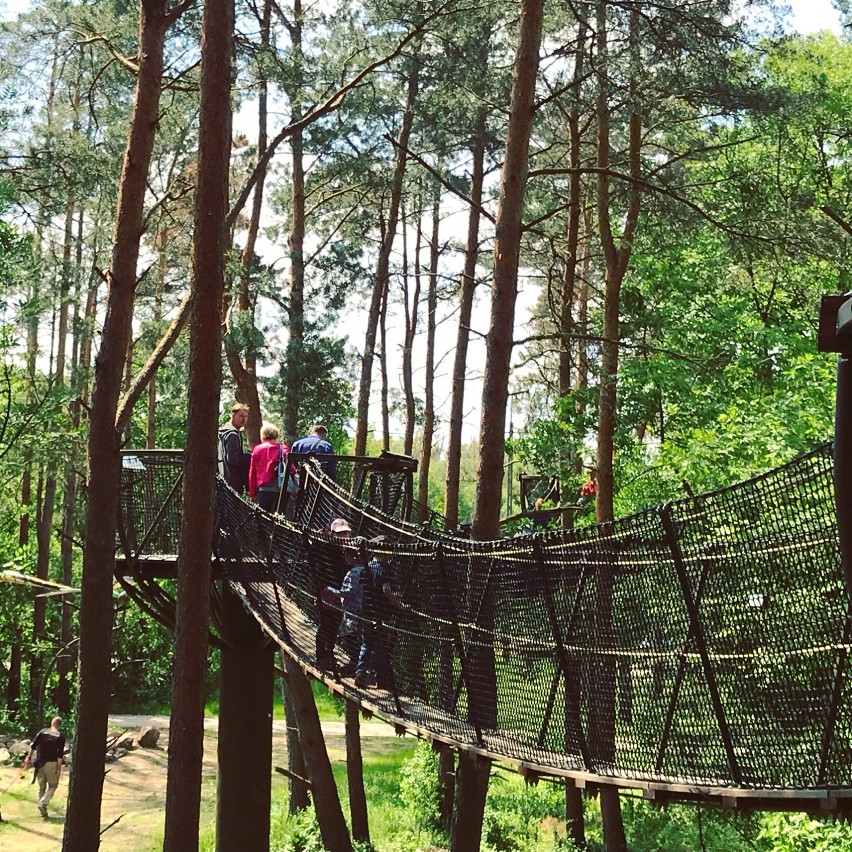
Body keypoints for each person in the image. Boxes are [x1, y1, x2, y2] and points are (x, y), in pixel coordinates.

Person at [315, 517, 353, 670]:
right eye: (340, 534)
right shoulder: (327, 548)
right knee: (325, 624)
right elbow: (315, 555)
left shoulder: (346, 550)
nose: (344, 537)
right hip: (326, 593)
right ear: (333, 534)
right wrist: (318, 541)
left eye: (346, 534)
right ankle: (322, 657)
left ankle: (328, 654)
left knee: (334, 625)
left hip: (338, 595)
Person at [27, 716, 65, 819]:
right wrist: (58, 770)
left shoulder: (43, 732)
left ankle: (43, 811)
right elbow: (59, 756)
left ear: (52, 723)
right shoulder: (60, 736)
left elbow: (33, 746)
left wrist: (28, 758)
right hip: (51, 763)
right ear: (60, 725)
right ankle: (43, 803)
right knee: (53, 785)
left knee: (42, 787)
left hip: (39, 763)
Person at [248, 422, 289, 513]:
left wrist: (252, 494)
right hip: (281, 489)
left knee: (263, 518)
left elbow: (252, 473)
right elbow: (291, 468)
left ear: (262, 436)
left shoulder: (257, 450)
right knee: (281, 518)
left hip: (264, 490)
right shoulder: (283, 449)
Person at [218, 402, 251, 493]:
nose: (244, 419)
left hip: (224, 477)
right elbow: (232, 459)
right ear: (233, 415)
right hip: (233, 479)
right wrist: (248, 457)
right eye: (241, 416)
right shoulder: (232, 435)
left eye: (246, 416)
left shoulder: (225, 432)